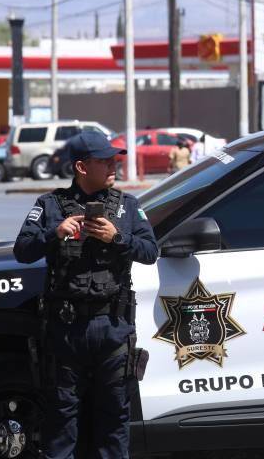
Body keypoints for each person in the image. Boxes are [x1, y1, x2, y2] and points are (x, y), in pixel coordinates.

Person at [13, 130, 158, 459]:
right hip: (66, 332)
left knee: (115, 422)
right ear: (81, 167)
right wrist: (56, 231)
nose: (113, 165)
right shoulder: (50, 206)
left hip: (113, 328)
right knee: (61, 421)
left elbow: (151, 251)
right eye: (104, 160)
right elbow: (22, 251)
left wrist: (117, 237)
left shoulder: (127, 206)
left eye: (114, 159)